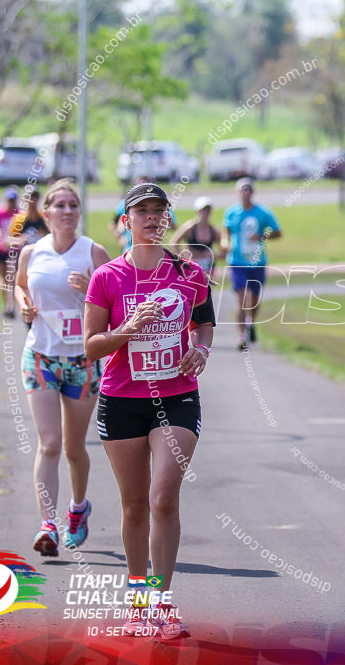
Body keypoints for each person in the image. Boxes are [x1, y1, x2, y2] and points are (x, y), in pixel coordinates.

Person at [84, 182, 215, 639]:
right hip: (121, 400)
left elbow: (206, 324)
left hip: (177, 396)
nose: (153, 218)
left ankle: (162, 602)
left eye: (161, 211)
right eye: (143, 212)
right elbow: (91, 346)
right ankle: (138, 603)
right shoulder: (108, 277)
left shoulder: (190, 272)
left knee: (163, 497)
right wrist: (128, 328)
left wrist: (202, 350)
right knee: (135, 505)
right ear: (126, 221)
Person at [15, 179, 111, 557]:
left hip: (82, 360)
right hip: (40, 356)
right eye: (60, 205)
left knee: (73, 448)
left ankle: (78, 508)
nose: (67, 211)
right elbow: (21, 287)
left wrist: (91, 289)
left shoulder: (94, 252)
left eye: (73, 205)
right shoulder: (32, 252)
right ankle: (47, 525)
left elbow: (115, 308)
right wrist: (24, 304)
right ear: (48, 212)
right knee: (50, 443)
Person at [223, 177, 281, 351]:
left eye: (248, 189)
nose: (245, 193)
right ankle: (242, 336)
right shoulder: (231, 213)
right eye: (242, 189)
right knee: (241, 297)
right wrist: (225, 242)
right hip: (237, 261)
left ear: (253, 192)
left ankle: (251, 322)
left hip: (257, 262)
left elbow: (278, 233)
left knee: (254, 299)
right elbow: (226, 231)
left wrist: (262, 237)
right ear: (237, 193)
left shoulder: (263, 213)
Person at [110, 176, 176, 254]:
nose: (151, 216)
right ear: (126, 221)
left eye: (159, 210)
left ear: (168, 219)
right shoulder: (123, 203)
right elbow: (113, 223)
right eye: (142, 210)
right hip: (127, 249)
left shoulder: (186, 266)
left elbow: (174, 226)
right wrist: (120, 237)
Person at [0, 186, 21, 317]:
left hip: (16, 250)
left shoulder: (20, 214)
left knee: (15, 279)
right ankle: (8, 305)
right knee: (5, 279)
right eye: (9, 200)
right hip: (1, 249)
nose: (11, 202)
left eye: (13, 200)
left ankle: (14, 306)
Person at [171, 196, 223, 277]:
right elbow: (174, 242)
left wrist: (212, 255)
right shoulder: (189, 227)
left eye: (208, 210)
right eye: (202, 210)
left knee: (206, 289)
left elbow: (222, 253)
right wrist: (183, 256)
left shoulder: (213, 230)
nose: (205, 213)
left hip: (208, 268)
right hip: (191, 267)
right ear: (197, 211)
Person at [8, 187, 49, 255]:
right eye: (30, 198)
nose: (33, 201)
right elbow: (8, 241)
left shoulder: (44, 218)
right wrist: (20, 240)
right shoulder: (19, 219)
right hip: (23, 256)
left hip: (41, 256)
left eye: (35, 198)